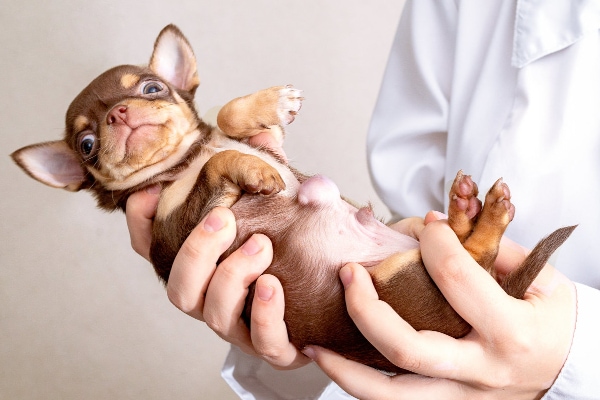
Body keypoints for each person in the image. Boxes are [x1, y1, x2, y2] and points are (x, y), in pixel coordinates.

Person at [126, 0, 600, 398]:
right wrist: (278, 333)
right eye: (89, 143)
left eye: (149, 90)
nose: (123, 117)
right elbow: (401, 223)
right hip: (372, 280)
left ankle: (475, 244)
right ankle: (471, 239)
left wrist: (573, 358)